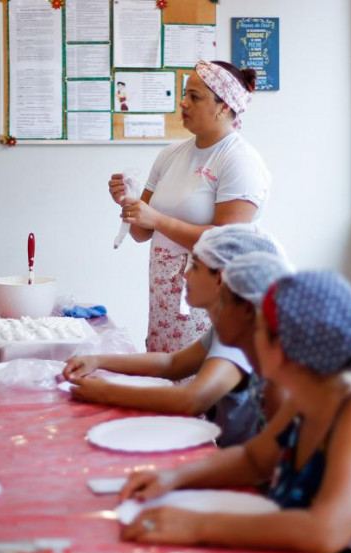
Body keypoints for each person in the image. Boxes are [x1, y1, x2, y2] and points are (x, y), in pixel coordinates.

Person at [119, 271, 351, 553]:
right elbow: (254, 459)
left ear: (284, 345)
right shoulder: (306, 395)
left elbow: (324, 530)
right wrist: (174, 478)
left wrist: (196, 524)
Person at [64, 224, 283, 446]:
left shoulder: (240, 338)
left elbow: (193, 399)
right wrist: (98, 360)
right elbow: (173, 363)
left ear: (221, 279)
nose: (185, 273)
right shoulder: (226, 327)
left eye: (195, 267)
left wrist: (106, 392)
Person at [109, 60, 270, 354]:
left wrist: (156, 219)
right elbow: (141, 233)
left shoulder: (239, 161)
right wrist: (128, 202)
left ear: (224, 107)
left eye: (194, 97)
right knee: (164, 378)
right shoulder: (170, 155)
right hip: (164, 304)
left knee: (200, 387)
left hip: (211, 303)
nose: (183, 103)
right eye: (185, 94)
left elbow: (227, 244)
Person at [214, 251, 295, 420]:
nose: (216, 311)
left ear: (248, 310)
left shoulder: (279, 391)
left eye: (222, 301)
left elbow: (194, 398)